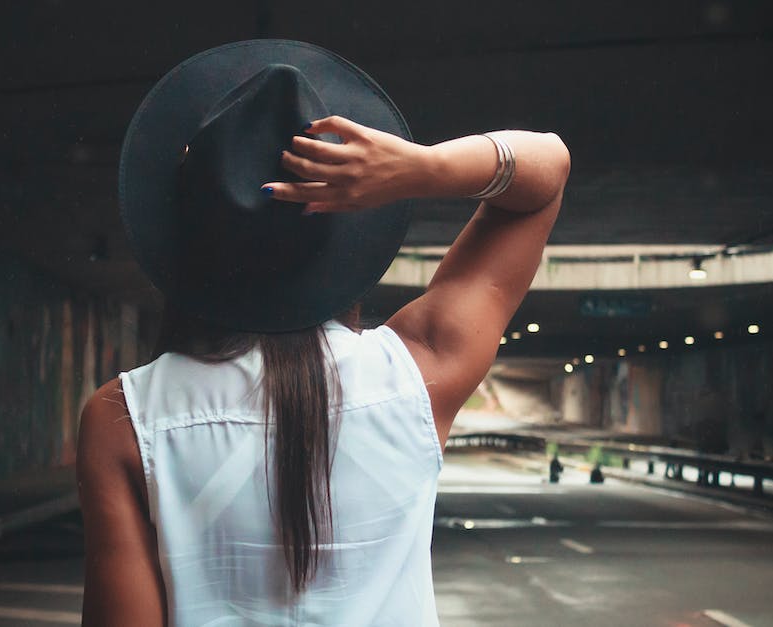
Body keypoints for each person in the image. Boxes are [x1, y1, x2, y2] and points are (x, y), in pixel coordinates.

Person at [77, 40, 569, 626]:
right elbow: (547, 168)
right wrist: (421, 168)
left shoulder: (124, 419)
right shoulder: (418, 373)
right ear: (343, 240)